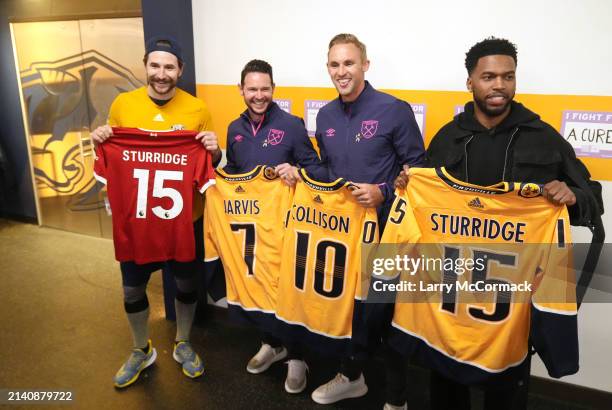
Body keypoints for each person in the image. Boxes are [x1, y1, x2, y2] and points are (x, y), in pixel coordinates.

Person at [390, 37, 603, 410]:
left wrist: (574, 196)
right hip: (449, 297)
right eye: (488, 76)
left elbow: (591, 197)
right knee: (446, 389)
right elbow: (419, 193)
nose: (499, 85)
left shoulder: (543, 137)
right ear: (470, 82)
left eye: (508, 76)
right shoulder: (448, 136)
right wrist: (406, 183)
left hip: (512, 303)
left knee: (507, 394)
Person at [91, 35, 221, 388]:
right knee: (132, 290)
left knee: (185, 284)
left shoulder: (197, 109)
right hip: (137, 222)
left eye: (169, 67)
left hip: (183, 221)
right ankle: (140, 348)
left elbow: (209, 164)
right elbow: (110, 154)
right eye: (155, 65)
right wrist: (100, 139)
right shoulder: (123, 104)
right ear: (145, 65)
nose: (161, 74)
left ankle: (182, 342)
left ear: (180, 70)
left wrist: (215, 150)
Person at [310, 33, 425, 405]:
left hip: (387, 232)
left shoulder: (394, 109)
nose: (341, 72)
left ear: (365, 65)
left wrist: (383, 192)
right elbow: (328, 170)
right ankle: (352, 376)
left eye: (349, 63)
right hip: (343, 234)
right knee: (349, 308)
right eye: (334, 64)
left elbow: (419, 172)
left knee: (387, 313)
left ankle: (397, 398)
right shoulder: (325, 115)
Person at [224, 59, 326, 393]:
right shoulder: (234, 129)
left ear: (273, 89)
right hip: (253, 227)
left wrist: (298, 173)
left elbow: (317, 170)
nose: (258, 95)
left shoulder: (293, 125)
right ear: (241, 90)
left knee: (289, 291)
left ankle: (297, 357)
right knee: (259, 285)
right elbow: (237, 173)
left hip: (287, 226)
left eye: (264, 88)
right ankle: (271, 344)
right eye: (251, 89)